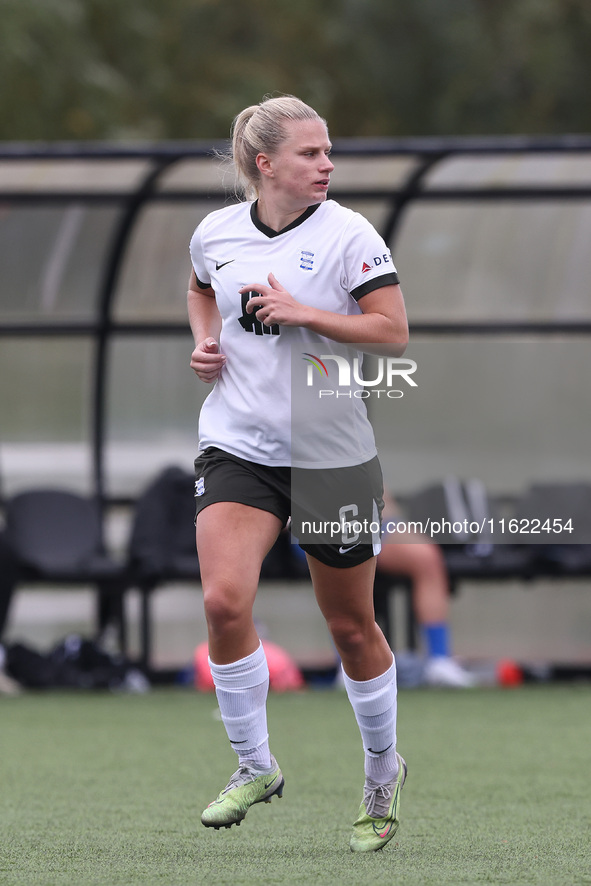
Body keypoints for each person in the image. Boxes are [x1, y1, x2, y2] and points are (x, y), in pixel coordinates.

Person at [187, 95, 409, 853]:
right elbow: (198, 288)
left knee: (350, 628)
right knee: (222, 601)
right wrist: (205, 342)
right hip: (237, 447)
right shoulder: (215, 233)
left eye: (327, 151)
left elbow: (392, 333)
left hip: (331, 453)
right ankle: (254, 765)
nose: (326, 164)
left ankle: (381, 770)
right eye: (310, 153)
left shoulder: (349, 234)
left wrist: (303, 312)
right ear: (264, 164)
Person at [377, 493, 475, 687]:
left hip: (372, 524)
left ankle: (439, 660)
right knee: (342, 557)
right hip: (317, 525)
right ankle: (348, 669)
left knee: (426, 556)